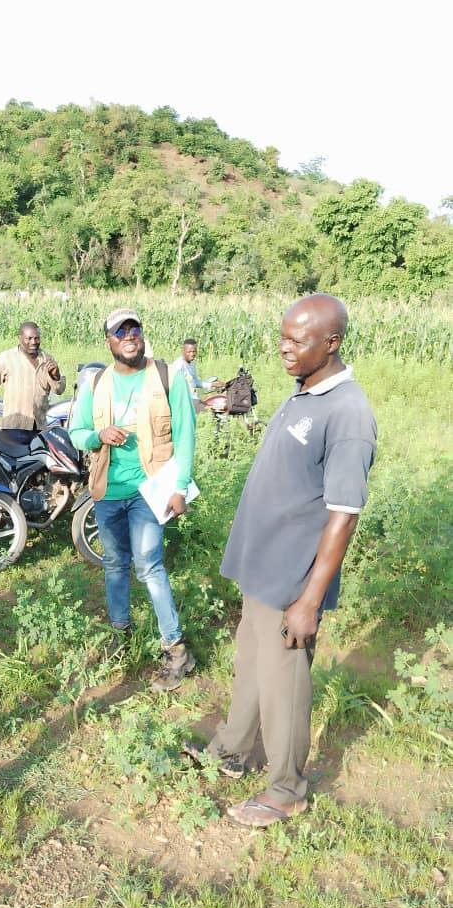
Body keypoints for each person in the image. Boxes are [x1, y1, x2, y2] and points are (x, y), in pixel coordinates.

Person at [183, 294, 377, 827]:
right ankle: (234, 748)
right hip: (262, 566)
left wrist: (309, 600)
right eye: (283, 336)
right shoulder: (305, 391)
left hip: (293, 578)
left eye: (297, 341)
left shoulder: (347, 411)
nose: (284, 349)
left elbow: (343, 514)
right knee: (251, 661)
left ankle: (288, 788)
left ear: (331, 343)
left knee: (284, 679)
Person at [70, 308, 196, 692]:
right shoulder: (96, 382)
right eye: (119, 330)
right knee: (113, 564)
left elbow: (186, 432)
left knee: (149, 565)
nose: (129, 335)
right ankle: (120, 633)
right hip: (108, 490)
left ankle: (175, 648)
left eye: (134, 328)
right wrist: (97, 436)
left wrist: (181, 485)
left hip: (150, 489)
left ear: (142, 335)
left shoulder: (166, 375)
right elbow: (77, 430)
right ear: (108, 341)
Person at [0, 321, 65, 429]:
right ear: (20, 338)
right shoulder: (7, 358)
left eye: (37, 338)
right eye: (29, 338)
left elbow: (59, 390)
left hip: (39, 427)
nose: (34, 342)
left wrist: (56, 375)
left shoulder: (46, 359)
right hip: (13, 426)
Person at [170, 339, 218, 413]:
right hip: (185, 401)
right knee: (211, 412)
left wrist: (213, 384)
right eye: (189, 352)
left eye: (194, 351)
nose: (192, 354)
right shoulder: (179, 365)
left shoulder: (192, 363)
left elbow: (195, 382)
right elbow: (173, 386)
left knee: (217, 406)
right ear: (183, 351)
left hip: (194, 399)